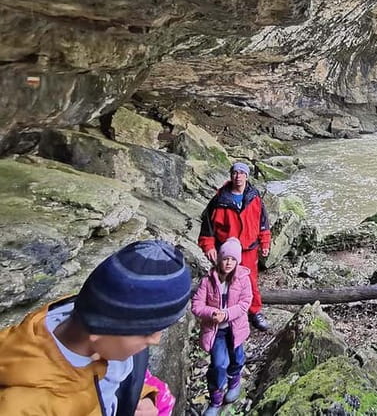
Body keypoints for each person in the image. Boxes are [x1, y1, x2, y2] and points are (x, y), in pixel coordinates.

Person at [0, 240, 192, 415]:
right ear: (103, 329)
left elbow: (117, 376)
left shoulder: (95, 323)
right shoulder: (25, 407)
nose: (156, 339)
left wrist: (143, 397)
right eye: (149, 331)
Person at [199, 162, 271, 332]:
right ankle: (227, 315)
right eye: (235, 173)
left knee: (250, 281)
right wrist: (209, 246)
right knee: (225, 282)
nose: (238, 176)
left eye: (241, 173)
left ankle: (254, 312)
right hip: (226, 249)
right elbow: (207, 225)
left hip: (248, 248)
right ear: (230, 176)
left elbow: (263, 222)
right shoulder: (220, 199)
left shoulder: (254, 196)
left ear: (247, 176)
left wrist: (265, 242)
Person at [191, 237, 253, 415]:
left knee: (237, 358)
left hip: (235, 328)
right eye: (226, 258)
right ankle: (216, 400)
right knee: (218, 364)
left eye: (233, 259)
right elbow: (196, 305)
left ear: (238, 261)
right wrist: (212, 313)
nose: (229, 263)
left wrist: (226, 314)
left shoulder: (243, 278)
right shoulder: (208, 281)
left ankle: (234, 381)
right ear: (219, 258)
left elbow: (245, 303)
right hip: (215, 330)